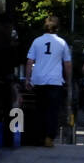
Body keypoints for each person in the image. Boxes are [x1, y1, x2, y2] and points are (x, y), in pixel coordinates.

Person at [25, 15, 72, 147]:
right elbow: (67, 64)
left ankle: (39, 135)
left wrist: (28, 78)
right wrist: (68, 80)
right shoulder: (62, 43)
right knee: (53, 110)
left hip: (39, 80)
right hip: (55, 80)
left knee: (40, 109)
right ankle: (49, 137)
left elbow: (30, 61)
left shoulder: (36, 41)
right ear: (57, 28)